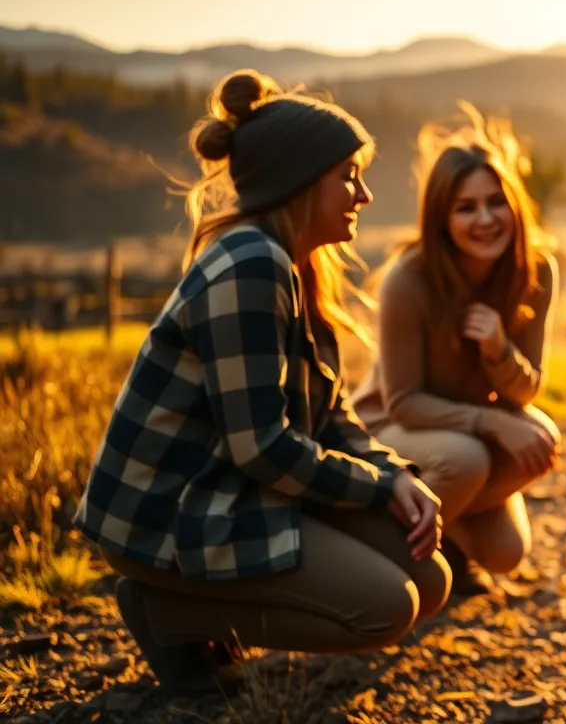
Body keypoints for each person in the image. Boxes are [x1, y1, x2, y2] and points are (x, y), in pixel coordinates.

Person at [73, 69, 451, 695]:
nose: (364, 196)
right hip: (169, 514)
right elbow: (261, 446)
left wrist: (394, 475)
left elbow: (331, 417)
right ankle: (164, 612)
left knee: (427, 577)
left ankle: (206, 609)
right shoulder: (251, 263)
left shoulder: (296, 268)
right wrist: (376, 492)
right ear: (300, 181)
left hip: (230, 489)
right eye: (348, 177)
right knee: (386, 608)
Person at [349, 103, 561, 595]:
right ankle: (370, 548)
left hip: (456, 432)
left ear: (514, 204)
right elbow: (402, 401)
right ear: (441, 218)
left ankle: (446, 538)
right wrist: (491, 422)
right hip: (390, 427)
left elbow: (525, 391)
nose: (485, 219)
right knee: (466, 460)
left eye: (495, 202)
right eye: (466, 208)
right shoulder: (409, 280)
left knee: (508, 547)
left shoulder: (537, 270)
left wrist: (498, 350)